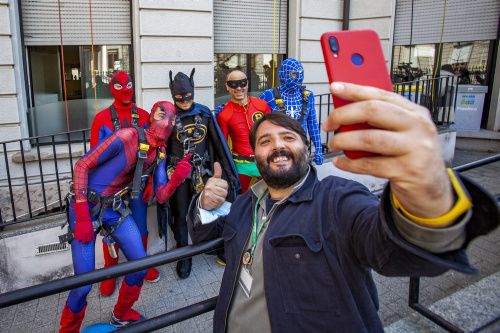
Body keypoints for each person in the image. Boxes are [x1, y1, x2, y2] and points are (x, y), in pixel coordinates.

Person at [187, 82, 499, 332]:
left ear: (307, 148)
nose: (277, 145)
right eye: (265, 141)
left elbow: (396, 253)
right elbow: (206, 239)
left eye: (287, 137)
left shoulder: (337, 199)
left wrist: (426, 194)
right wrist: (204, 203)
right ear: (255, 156)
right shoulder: (245, 204)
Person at [59, 102, 192, 332]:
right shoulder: (127, 135)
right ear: (150, 117)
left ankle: (121, 315)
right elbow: (82, 166)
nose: (167, 121)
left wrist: (176, 179)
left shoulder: (159, 152)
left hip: (114, 206)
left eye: (172, 119)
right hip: (86, 207)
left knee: (140, 266)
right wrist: (81, 216)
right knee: (83, 284)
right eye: (162, 114)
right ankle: (68, 330)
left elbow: (160, 196)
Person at [163, 68, 240, 278]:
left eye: (188, 96)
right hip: (177, 175)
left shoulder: (205, 113)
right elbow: (161, 148)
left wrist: (228, 171)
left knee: (212, 208)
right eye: (180, 97)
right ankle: (184, 256)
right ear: (172, 95)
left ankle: (215, 246)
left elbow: (218, 143)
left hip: (202, 171)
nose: (185, 101)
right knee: (180, 215)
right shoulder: (168, 117)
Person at [89, 71, 159, 297]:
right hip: (111, 189)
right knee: (110, 229)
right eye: (120, 87)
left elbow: (156, 149)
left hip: (138, 183)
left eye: (128, 85)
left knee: (140, 225)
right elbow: (93, 158)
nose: (126, 90)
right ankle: (110, 272)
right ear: (112, 88)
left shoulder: (145, 115)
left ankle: (141, 264)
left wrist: (153, 181)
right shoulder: (101, 119)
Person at [259, 58, 324, 166]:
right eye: (294, 74)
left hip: (301, 150)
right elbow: (255, 122)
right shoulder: (268, 95)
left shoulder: (308, 96)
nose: (299, 78)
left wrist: (318, 148)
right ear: (283, 75)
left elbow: (312, 124)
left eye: (301, 74)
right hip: (278, 152)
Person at [216, 70, 271, 193]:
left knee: (271, 197)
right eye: (233, 84)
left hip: (263, 162)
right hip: (240, 165)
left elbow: (273, 133)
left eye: (242, 83)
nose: (239, 88)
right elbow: (222, 145)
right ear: (227, 86)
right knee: (241, 201)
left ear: (247, 84)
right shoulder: (224, 113)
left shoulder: (261, 105)